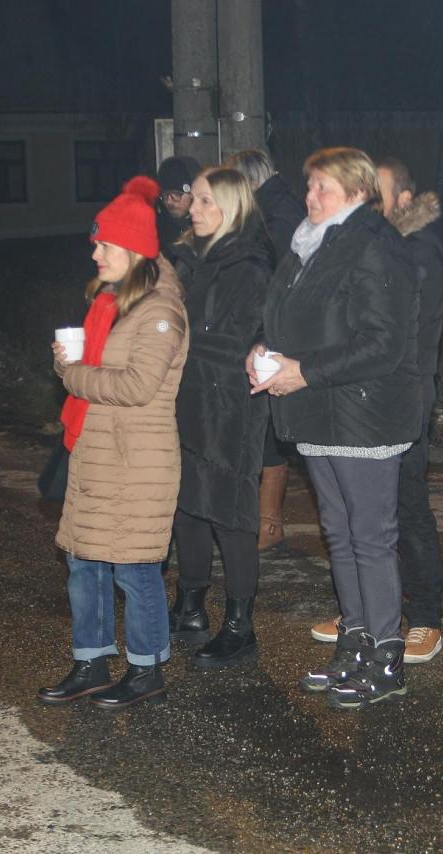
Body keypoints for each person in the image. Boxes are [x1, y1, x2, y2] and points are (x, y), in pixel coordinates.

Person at [252, 147, 420, 708]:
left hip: (365, 415)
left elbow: (384, 343)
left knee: (370, 537)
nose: (310, 196)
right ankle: (356, 641)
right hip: (321, 410)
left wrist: (305, 371)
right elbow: (291, 319)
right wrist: (266, 351)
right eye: (309, 186)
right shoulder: (308, 245)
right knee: (339, 533)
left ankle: (387, 656)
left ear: (357, 192)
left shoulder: (373, 245)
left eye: (322, 187)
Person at [37, 176, 189, 710]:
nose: (95, 253)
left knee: (134, 566)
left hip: (136, 460)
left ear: (134, 249)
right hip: (97, 452)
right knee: (85, 561)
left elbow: (137, 386)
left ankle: (146, 670)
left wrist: (73, 374)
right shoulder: (111, 302)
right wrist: (71, 362)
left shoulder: (160, 312)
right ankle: (92, 662)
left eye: (104, 244)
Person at [308, 156, 443, 663]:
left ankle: (427, 617)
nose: (371, 202)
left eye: (380, 192)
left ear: (404, 199)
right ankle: (364, 614)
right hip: (367, 400)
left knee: (406, 507)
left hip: (402, 398)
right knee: (359, 516)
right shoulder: (375, 247)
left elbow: (396, 333)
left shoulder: (419, 252)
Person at [165, 167, 273, 669]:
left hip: (229, 404)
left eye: (206, 200)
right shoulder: (188, 259)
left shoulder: (249, 266)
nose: (195, 208)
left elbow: (242, 338)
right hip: (185, 396)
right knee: (187, 504)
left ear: (232, 207)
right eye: (195, 199)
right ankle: (190, 606)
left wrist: (178, 342)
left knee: (229, 512)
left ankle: (239, 625)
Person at [225, 149, 308, 555]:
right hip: (269, 328)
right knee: (264, 425)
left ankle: (269, 522)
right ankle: (263, 520)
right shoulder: (277, 208)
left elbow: (272, 274)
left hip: (272, 332)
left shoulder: (276, 216)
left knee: (268, 427)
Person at [155, 155, 201, 254]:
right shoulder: (158, 229)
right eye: (165, 195)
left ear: (193, 194)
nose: (169, 202)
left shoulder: (205, 227)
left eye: (176, 195)